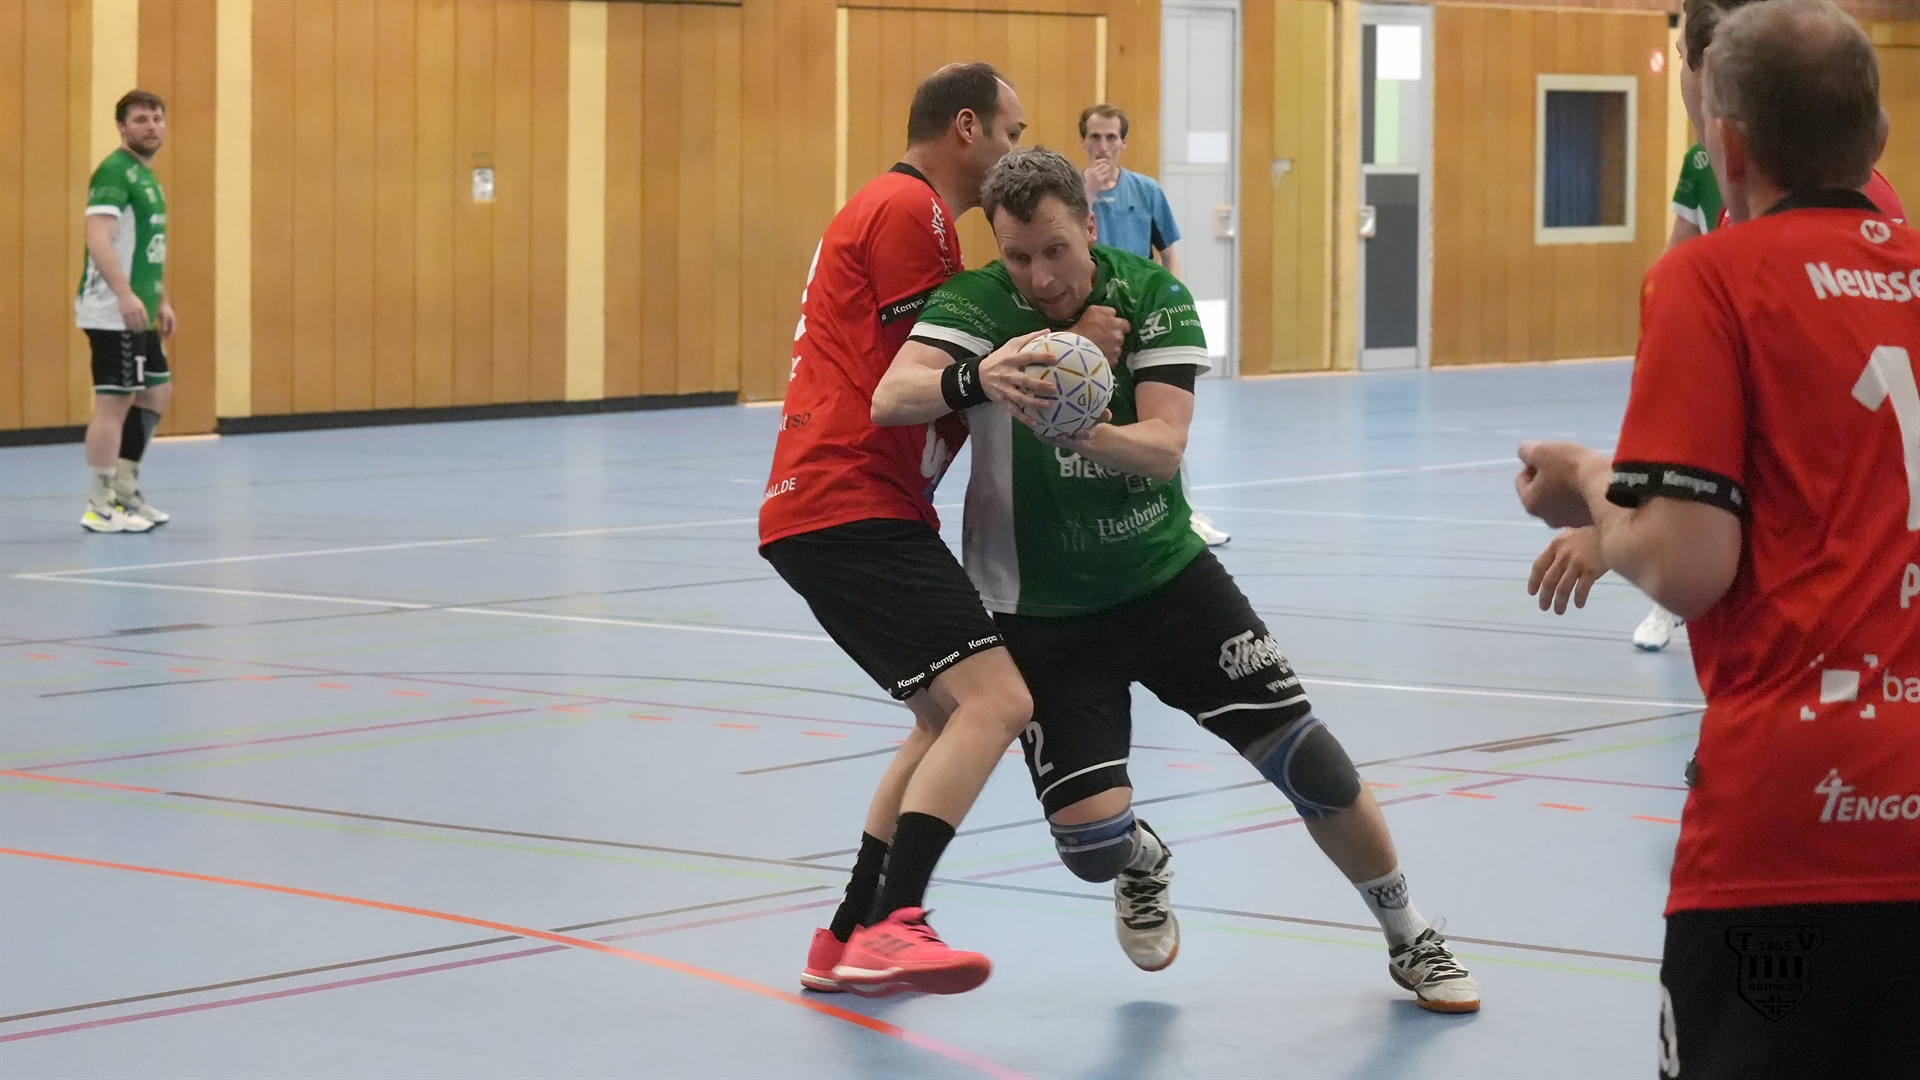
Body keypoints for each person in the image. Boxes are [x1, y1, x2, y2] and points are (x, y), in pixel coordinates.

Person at [868, 147, 1480, 1013]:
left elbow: (1163, 449)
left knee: (1312, 765)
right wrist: (985, 374)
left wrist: (1075, 425)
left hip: (1168, 582)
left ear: (1090, 226)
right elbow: (891, 396)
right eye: (1018, 255)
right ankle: (1141, 859)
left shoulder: (1151, 296)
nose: (1041, 277)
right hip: (1039, 612)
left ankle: (1410, 935)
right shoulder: (977, 304)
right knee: (1091, 848)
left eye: (1056, 249)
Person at [1517, 4, 1920, 1075]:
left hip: (1791, 816)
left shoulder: (1711, 278)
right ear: (1877, 139)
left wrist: (1592, 485)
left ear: (1726, 148)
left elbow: (1688, 567)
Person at [762, 65, 1125, 999]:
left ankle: (846, 935)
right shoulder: (908, 207)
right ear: (967, 126)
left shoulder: (905, 213)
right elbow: (919, 371)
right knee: (996, 702)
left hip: (851, 505)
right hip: (850, 501)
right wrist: (1068, 338)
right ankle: (897, 924)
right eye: (1012, 130)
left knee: (940, 718)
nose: (1016, 145)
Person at [1080, 103, 1229, 548]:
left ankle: (1185, 515)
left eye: (1111, 137)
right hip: (1093, 325)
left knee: (1162, 423)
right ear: (1084, 141)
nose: (1103, 145)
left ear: (1123, 142)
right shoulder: (1072, 192)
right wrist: (1086, 191)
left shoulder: (1146, 191)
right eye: (1095, 137)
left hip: (1141, 320)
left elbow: (1168, 253)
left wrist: (1173, 298)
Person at [76, 89, 176, 534]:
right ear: (122, 127)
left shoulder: (146, 176)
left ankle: (124, 487)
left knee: (156, 391)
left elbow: (145, 247)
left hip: (140, 308)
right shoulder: (115, 172)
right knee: (114, 401)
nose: (151, 126)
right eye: (141, 119)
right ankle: (99, 504)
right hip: (111, 309)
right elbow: (98, 236)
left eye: (157, 118)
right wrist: (123, 294)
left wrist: (161, 299)